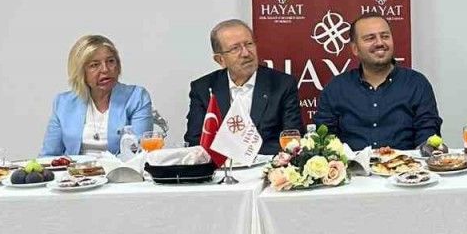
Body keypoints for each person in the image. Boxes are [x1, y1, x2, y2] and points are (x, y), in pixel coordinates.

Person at [313, 15, 441, 151]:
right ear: (355, 48)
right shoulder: (336, 88)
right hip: (352, 165)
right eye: (370, 38)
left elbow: (428, 136)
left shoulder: (416, 84)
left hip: (406, 164)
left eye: (385, 36)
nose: (380, 43)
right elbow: (324, 140)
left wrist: (425, 149)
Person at [184, 19, 303, 155]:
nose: (246, 53)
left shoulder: (282, 84)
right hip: (219, 166)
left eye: (249, 44)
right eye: (235, 48)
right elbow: (195, 141)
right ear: (220, 60)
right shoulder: (203, 89)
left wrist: (245, 155)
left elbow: (292, 140)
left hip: (266, 165)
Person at [41, 34, 153, 156]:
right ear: (80, 72)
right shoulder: (63, 103)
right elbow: (49, 155)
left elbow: (139, 153)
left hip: (120, 168)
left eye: (110, 61)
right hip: (74, 168)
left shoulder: (136, 98)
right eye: (94, 65)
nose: (105, 69)